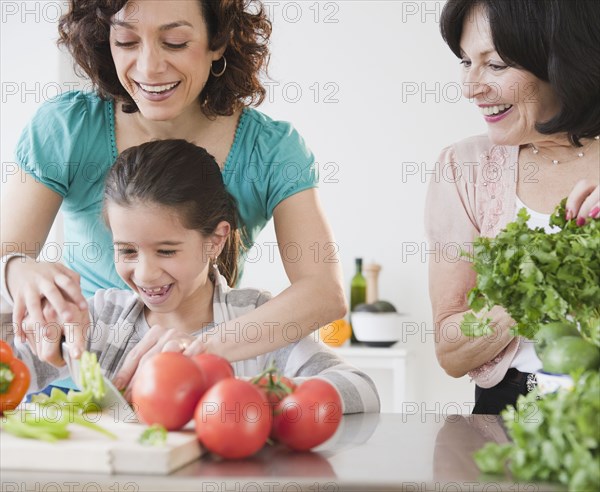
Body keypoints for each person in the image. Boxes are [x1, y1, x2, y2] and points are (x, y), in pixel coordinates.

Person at [0, 0, 345, 390]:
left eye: (176, 42)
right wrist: (13, 269)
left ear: (219, 41)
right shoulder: (67, 128)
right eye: (127, 42)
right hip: (81, 377)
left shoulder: (271, 151)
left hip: (184, 379)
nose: (148, 67)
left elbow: (323, 292)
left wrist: (194, 350)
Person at [2, 139, 380, 414]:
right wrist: (17, 278)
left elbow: (360, 390)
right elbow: (12, 371)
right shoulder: (99, 319)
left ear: (215, 240)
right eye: (128, 251)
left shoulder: (256, 317)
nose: (146, 273)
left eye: (166, 250)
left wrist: (238, 397)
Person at [426, 0, 600, 414]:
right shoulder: (463, 168)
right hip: (509, 411)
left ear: (563, 62)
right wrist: (536, 284)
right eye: (466, 61)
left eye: (497, 65)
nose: (471, 86)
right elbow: (452, 352)